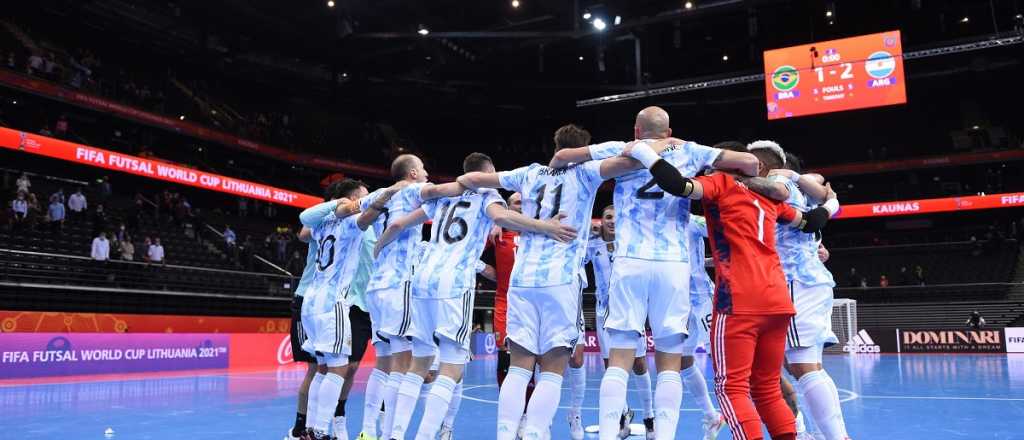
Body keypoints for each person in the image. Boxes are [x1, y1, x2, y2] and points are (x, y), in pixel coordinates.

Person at [553, 107, 759, 440]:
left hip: (630, 259)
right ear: (668, 130)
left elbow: (562, 156)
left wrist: (633, 153)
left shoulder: (621, 146)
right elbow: (749, 163)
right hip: (673, 265)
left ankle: (608, 434)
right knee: (669, 361)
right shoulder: (689, 150)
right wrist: (682, 147)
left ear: (636, 131)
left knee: (618, 358)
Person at [626, 138, 838, 440]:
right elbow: (810, 222)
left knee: (731, 387)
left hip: (739, 299)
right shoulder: (770, 197)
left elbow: (676, 185)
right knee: (766, 388)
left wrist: (643, 152)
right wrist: (832, 202)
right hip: (778, 299)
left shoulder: (721, 182)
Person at [457, 123, 642, 440]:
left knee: (518, 367)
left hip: (522, 279)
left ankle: (505, 435)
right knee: (553, 371)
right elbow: (631, 159)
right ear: (581, 149)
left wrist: (501, 210)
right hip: (560, 280)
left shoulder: (528, 174)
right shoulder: (586, 173)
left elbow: (469, 179)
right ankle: (534, 434)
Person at [374, 152, 577, 440]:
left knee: (419, 361)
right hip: (453, 282)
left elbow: (397, 225)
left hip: (422, 279)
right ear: (489, 171)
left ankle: (392, 435)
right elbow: (503, 216)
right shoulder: (487, 193)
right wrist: (547, 227)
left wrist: (378, 247)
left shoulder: (444, 194)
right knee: (451, 367)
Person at [765, 146, 851, 440]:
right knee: (798, 365)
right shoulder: (803, 188)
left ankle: (827, 436)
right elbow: (828, 198)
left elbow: (822, 203)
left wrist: (791, 175)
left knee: (802, 366)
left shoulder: (783, 184)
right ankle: (812, 433)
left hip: (794, 282)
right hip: (809, 280)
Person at [353, 154, 432, 440]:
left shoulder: (378, 195)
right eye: (422, 169)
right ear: (412, 172)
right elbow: (443, 196)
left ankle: (367, 432)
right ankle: (390, 435)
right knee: (403, 362)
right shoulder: (416, 190)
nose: (426, 173)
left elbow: (357, 219)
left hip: (376, 287)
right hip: (400, 283)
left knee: (383, 362)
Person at [297, 179, 370, 440]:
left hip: (312, 301)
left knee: (324, 367)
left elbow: (305, 223)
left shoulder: (322, 225)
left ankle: (310, 430)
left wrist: (334, 207)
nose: (366, 199)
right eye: (362, 196)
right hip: (332, 302)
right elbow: (369, 209)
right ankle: (318, 430)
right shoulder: (351, 223)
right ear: (350, 200)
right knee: (338, 369)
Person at [580, 206, 655, 440]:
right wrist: (586, 230)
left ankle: (650, 418)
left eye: (616, 217)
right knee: (611, 367)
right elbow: (575, 250)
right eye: (608, 217)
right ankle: (622, 417)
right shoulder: (593, 244)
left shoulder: (629, 240)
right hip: (604, 313)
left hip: (631, 310)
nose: (612, 221)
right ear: (600, 221)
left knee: (639, 365)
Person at [682, 214, 728, 439]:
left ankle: (743, 416)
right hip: (676, 303)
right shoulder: (656, 223)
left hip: (702, 300)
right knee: (682, 361)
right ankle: (712, 416)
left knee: (724, 363)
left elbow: (725, 231)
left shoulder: (692, 221)